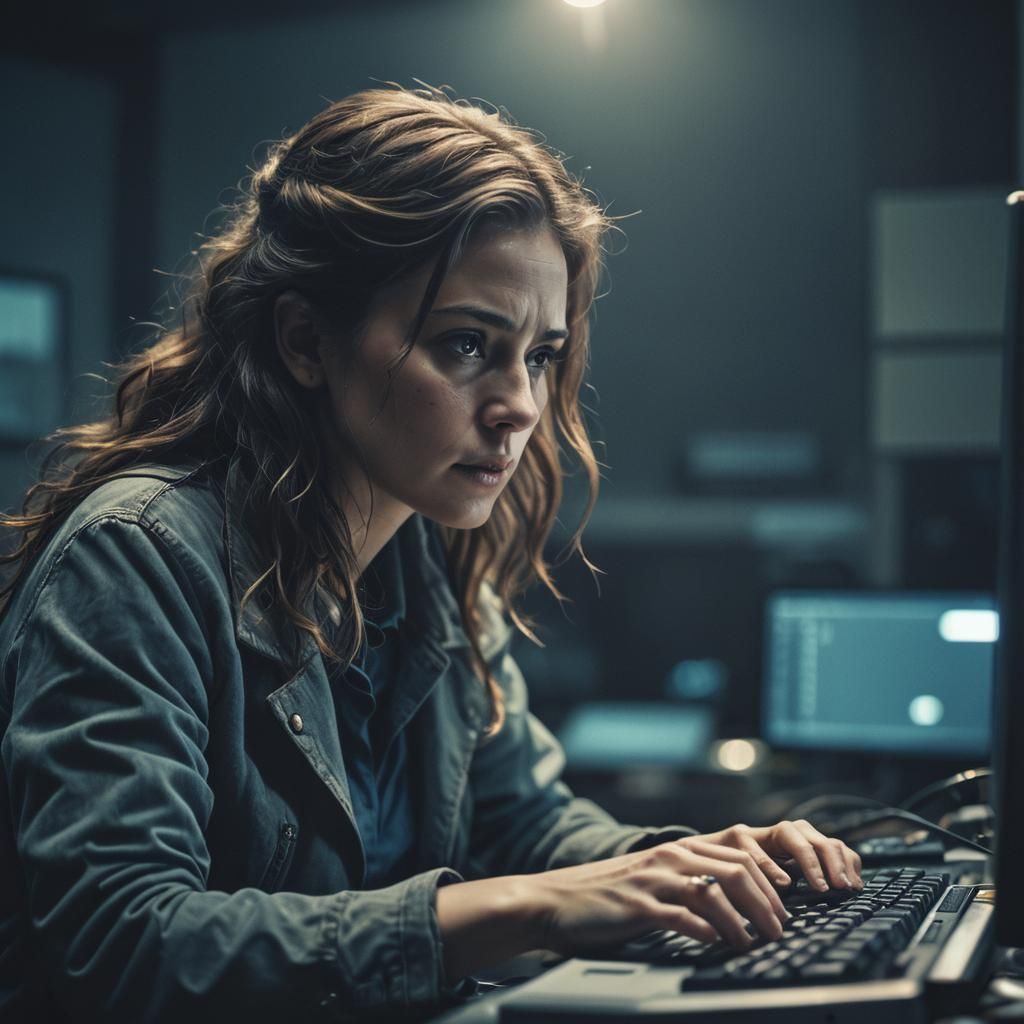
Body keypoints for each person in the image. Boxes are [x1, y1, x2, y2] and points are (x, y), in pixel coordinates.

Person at [0, 84, 862, 1022]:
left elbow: (525, 823)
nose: (521, 406)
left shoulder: (434, 562)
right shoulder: (136, 557)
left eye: (539, 355)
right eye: (465, 344)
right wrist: (532, 906)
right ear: (304, 341)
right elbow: (123, 946)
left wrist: (698, 864)